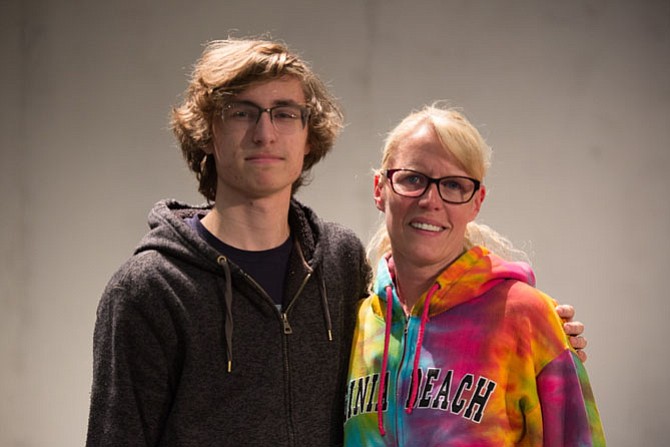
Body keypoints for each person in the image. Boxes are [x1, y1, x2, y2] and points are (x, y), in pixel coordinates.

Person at [86, 39, 588, 446]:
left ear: (309, 137)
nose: (265, 132)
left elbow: (431, 307)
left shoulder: (339, 262)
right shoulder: (150, 289)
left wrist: (531, 320)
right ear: (207, 133)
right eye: (241, 112)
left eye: (285, 113)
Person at [343, 104, 605, 446]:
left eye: (453, 185)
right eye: (412, 179)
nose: (430, 200)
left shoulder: (526, 318)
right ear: (380, 189)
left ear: (476, 201)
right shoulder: (358, 321)